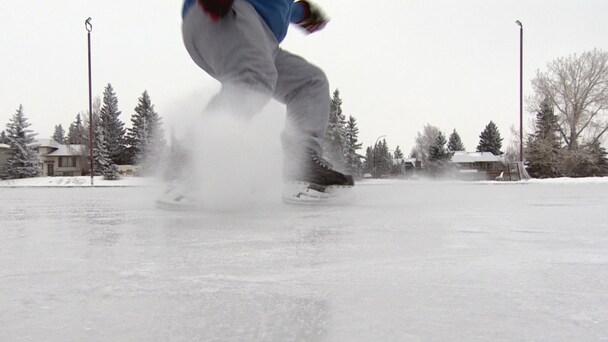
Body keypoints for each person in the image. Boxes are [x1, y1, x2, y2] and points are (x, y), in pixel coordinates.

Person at [178, 0, 353, 205]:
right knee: (254, 78)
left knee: (309, 83)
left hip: (259, 36)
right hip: (231, 13)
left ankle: (302, 167)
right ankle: (189, 165)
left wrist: (299, 12)